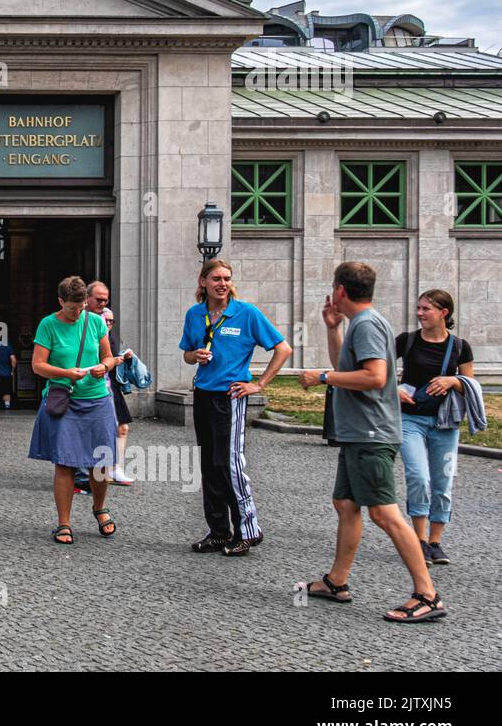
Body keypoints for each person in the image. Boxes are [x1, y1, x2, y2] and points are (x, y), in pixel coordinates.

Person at [299, 262, 446, 623]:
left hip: (371, 434)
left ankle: (427, 595)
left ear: (341, 291)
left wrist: (320, 376)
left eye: (334, 288)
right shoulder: (357, 324)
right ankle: (336, 582)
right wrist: (333, 331)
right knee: (346, 503)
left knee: (384, 512)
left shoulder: (366, 324)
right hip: (358, 433)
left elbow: (375, 377)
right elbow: (348, 369)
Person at [179, 259, 292, 556]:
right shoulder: (195, 314)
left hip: (230, 397)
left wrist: (260, 383)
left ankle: (248, 530)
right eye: (216, 278)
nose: (223, 283)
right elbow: (187, 355)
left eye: (227, 278)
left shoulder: (246, 313)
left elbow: (283, 348)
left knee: (230, 463)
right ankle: (218, 531)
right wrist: (195, 355)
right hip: (203, 394)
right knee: (209, 464)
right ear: (203, 281)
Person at [28, 275, 121, 545]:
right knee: (65, 462)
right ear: (60, 301)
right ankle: (64, 522)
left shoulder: (94, 321)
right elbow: (38, 365)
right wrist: (66, 373)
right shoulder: (48, 325)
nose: (77, 313)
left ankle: (99, 508)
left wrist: (105, 366)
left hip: (96, 398)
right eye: (72, 308)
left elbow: (107, 356)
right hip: (64, 400)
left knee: (101, 460)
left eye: (81, 308)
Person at [395, 289, 474, 567]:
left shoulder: (460, 346)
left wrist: (452, 382)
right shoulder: (406, 341)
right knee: (419, 477)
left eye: (426, 309)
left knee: (442, 482)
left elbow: (470, 385)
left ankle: (436, 542)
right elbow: (377, 370)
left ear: (444, 313)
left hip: (444, 422)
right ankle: (418, 540)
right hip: (410, 419)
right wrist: (393, 390)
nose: (419, 313)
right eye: (418, 308)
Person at [98, 307, 135, 486]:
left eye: (112, 321)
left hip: (113, 387)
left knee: (122, 428)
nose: (109, 324)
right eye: (106, 320)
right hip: (100, 387)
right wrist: (114, 361)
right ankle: (102, 469)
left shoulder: (110, 337)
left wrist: (121, 358)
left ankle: (115, 468)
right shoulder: (94, 335)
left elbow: (109, 358)